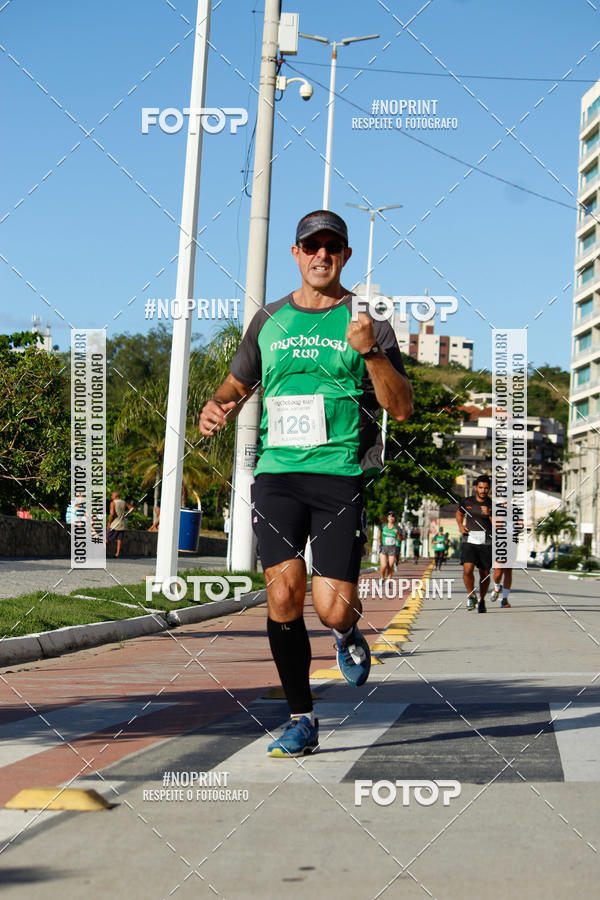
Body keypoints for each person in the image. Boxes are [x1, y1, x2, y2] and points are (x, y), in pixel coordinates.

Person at [199, 209, 413, 758]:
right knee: (282, 594)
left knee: (333, 607)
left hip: (340, 475)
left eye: (331, 247)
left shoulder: (369, 324)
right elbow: (236, 382)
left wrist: (368, 351)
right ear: (295, 254)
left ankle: (345, 635)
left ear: (343, 257)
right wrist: (217, 406)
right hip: (277, 475)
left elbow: (403, 408)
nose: (321, 255)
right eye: (311, 246)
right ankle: (301, 718)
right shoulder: (268, 321)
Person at [456, 475, 492, 613]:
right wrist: (460, 526)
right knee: (467, 570)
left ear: (489, 489)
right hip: (469, 540)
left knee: (484, 573)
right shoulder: (467, 501)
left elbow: (497, 524)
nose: (483, 490)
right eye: (481, 487)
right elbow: (459, 514)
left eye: (486, 488)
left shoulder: (491, 505)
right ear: (476, 487)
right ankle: (471, 595)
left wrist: (489, 514)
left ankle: (482, 600)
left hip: (486, 542)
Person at [106, 491, 134, 558]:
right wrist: (125, 515)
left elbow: (112, 514)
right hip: (122, 524)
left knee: (107, 537)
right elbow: (132, 508)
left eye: (112, 495)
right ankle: (117, 553)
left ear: (115, 496)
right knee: (119, 539)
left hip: (114, 523)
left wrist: (109, 523)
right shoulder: (123, 502)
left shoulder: (113, 503)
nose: (111, 497)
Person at [379, 512, 401, 580]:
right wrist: (379, 543)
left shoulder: (397, 527)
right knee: (384, 566)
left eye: (392, 517)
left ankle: (388, 580)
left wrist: (397, 533)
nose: (391, 518)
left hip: (392, 548)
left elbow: (400, 539)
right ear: (387, 518)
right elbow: (379, 536)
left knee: (391, 566)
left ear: (394, 518)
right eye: (389, 516)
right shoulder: (383, 526)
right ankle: (382, 578)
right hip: (384, 547)